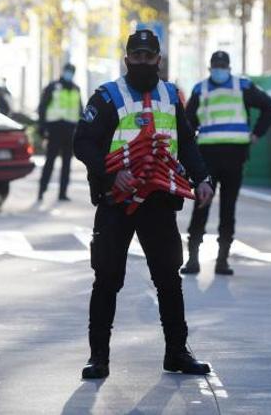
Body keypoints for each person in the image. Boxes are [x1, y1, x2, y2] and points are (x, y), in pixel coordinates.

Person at [73, 29, 215, 379]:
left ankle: (177, 353)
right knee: (107, 278)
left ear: (158, 59)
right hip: (115, 202)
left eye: (148, 56)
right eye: (136, 56)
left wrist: (203, 179)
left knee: (169, 278)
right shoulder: (107, 96)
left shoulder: (170, 96)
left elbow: (186, 143)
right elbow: (83, 143)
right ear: (126, 59)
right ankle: (99, 358)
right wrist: (111, 174)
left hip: (159, 201)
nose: (142, 62)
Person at [182, 51, 271, 276]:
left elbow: (269, 107)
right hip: (207, 157)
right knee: (202, 206)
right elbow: (187, 122)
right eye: (216, 65)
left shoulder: (242, 86)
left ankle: (222, 261)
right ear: (210, 67)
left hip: (233, 156)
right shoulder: (201, 89)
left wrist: (256, 134)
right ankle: (193, 259)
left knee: (226, 208)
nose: (219, 69)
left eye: (222, 65)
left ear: (229, 67)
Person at [37, 63, 83, 202]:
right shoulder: (52, 86)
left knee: (67, 163)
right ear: (63, 71)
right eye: (68, 71)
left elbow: (80, 110)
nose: (69, 73)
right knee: (50, 161)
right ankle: (42, 189)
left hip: (70, 129)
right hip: (55, 128)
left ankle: (63, 192)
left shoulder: (76, 89)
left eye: (71, 71)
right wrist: (42, 126)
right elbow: (43, 107)